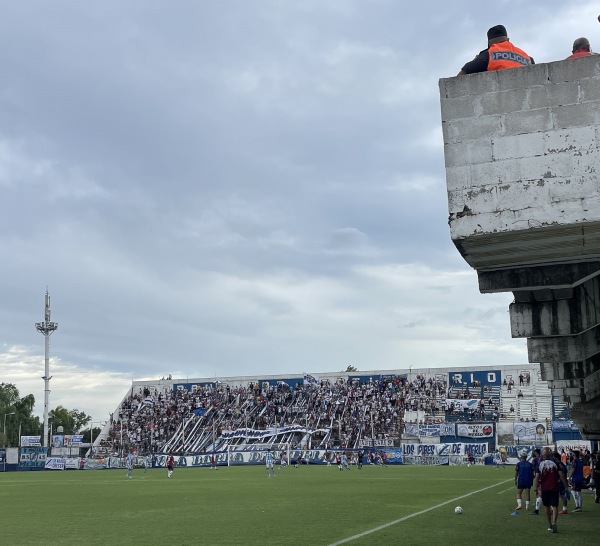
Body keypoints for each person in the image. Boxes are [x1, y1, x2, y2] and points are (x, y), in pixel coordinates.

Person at [458, 25, 533, 75]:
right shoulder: (527, 58)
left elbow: (463, 72)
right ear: (508, 40)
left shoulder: (489, 54)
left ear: (489, 44)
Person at [537, 447, 568, 534]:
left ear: (543, 454)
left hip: (544, 488)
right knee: (555, 506)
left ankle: (550, 524)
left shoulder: (540, 463)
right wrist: (566, 486)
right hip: (554, 487)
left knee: (547, 506)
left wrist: (536, 488)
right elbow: (561, 474)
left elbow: (536, 476)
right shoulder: (555, 462)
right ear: (550, 454)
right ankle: (554, 522)